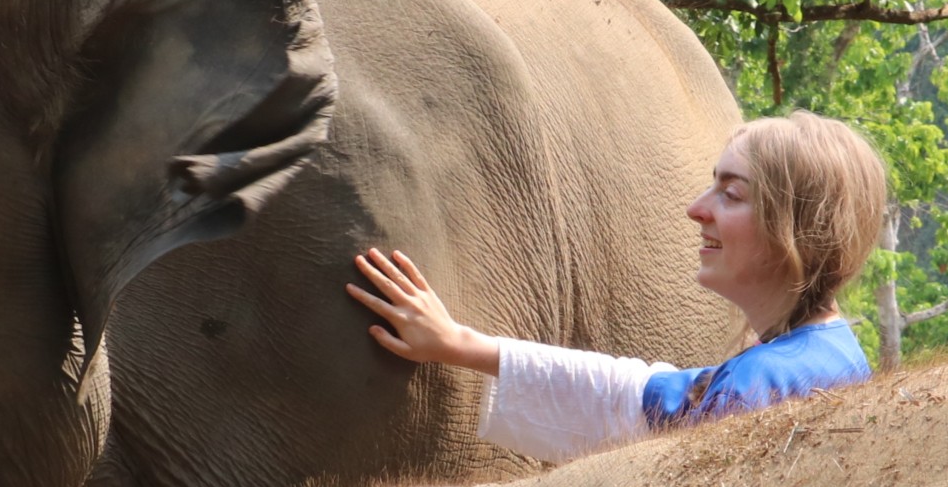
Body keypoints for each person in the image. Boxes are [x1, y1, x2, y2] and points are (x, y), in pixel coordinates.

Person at [346, 111, 889, 463]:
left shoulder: (758, 388)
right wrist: (459, 346)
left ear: (794, 229)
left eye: (732, 194)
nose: (695, 208)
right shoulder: (826, 355)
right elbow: (633, 396)